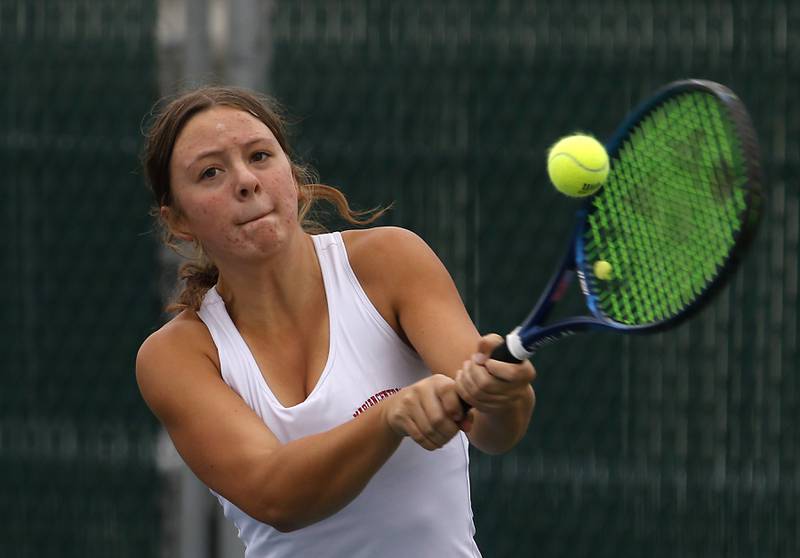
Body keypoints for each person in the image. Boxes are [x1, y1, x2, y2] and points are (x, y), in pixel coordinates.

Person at [136, 85, 536, 557]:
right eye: (210, 173)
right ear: (178, 220)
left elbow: (492, 429)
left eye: (260, 156)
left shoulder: (391, 262)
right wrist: (390, 416)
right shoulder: (176, 356)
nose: (245, 181)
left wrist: (506, 395)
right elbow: (276, 494)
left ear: (293, 176)